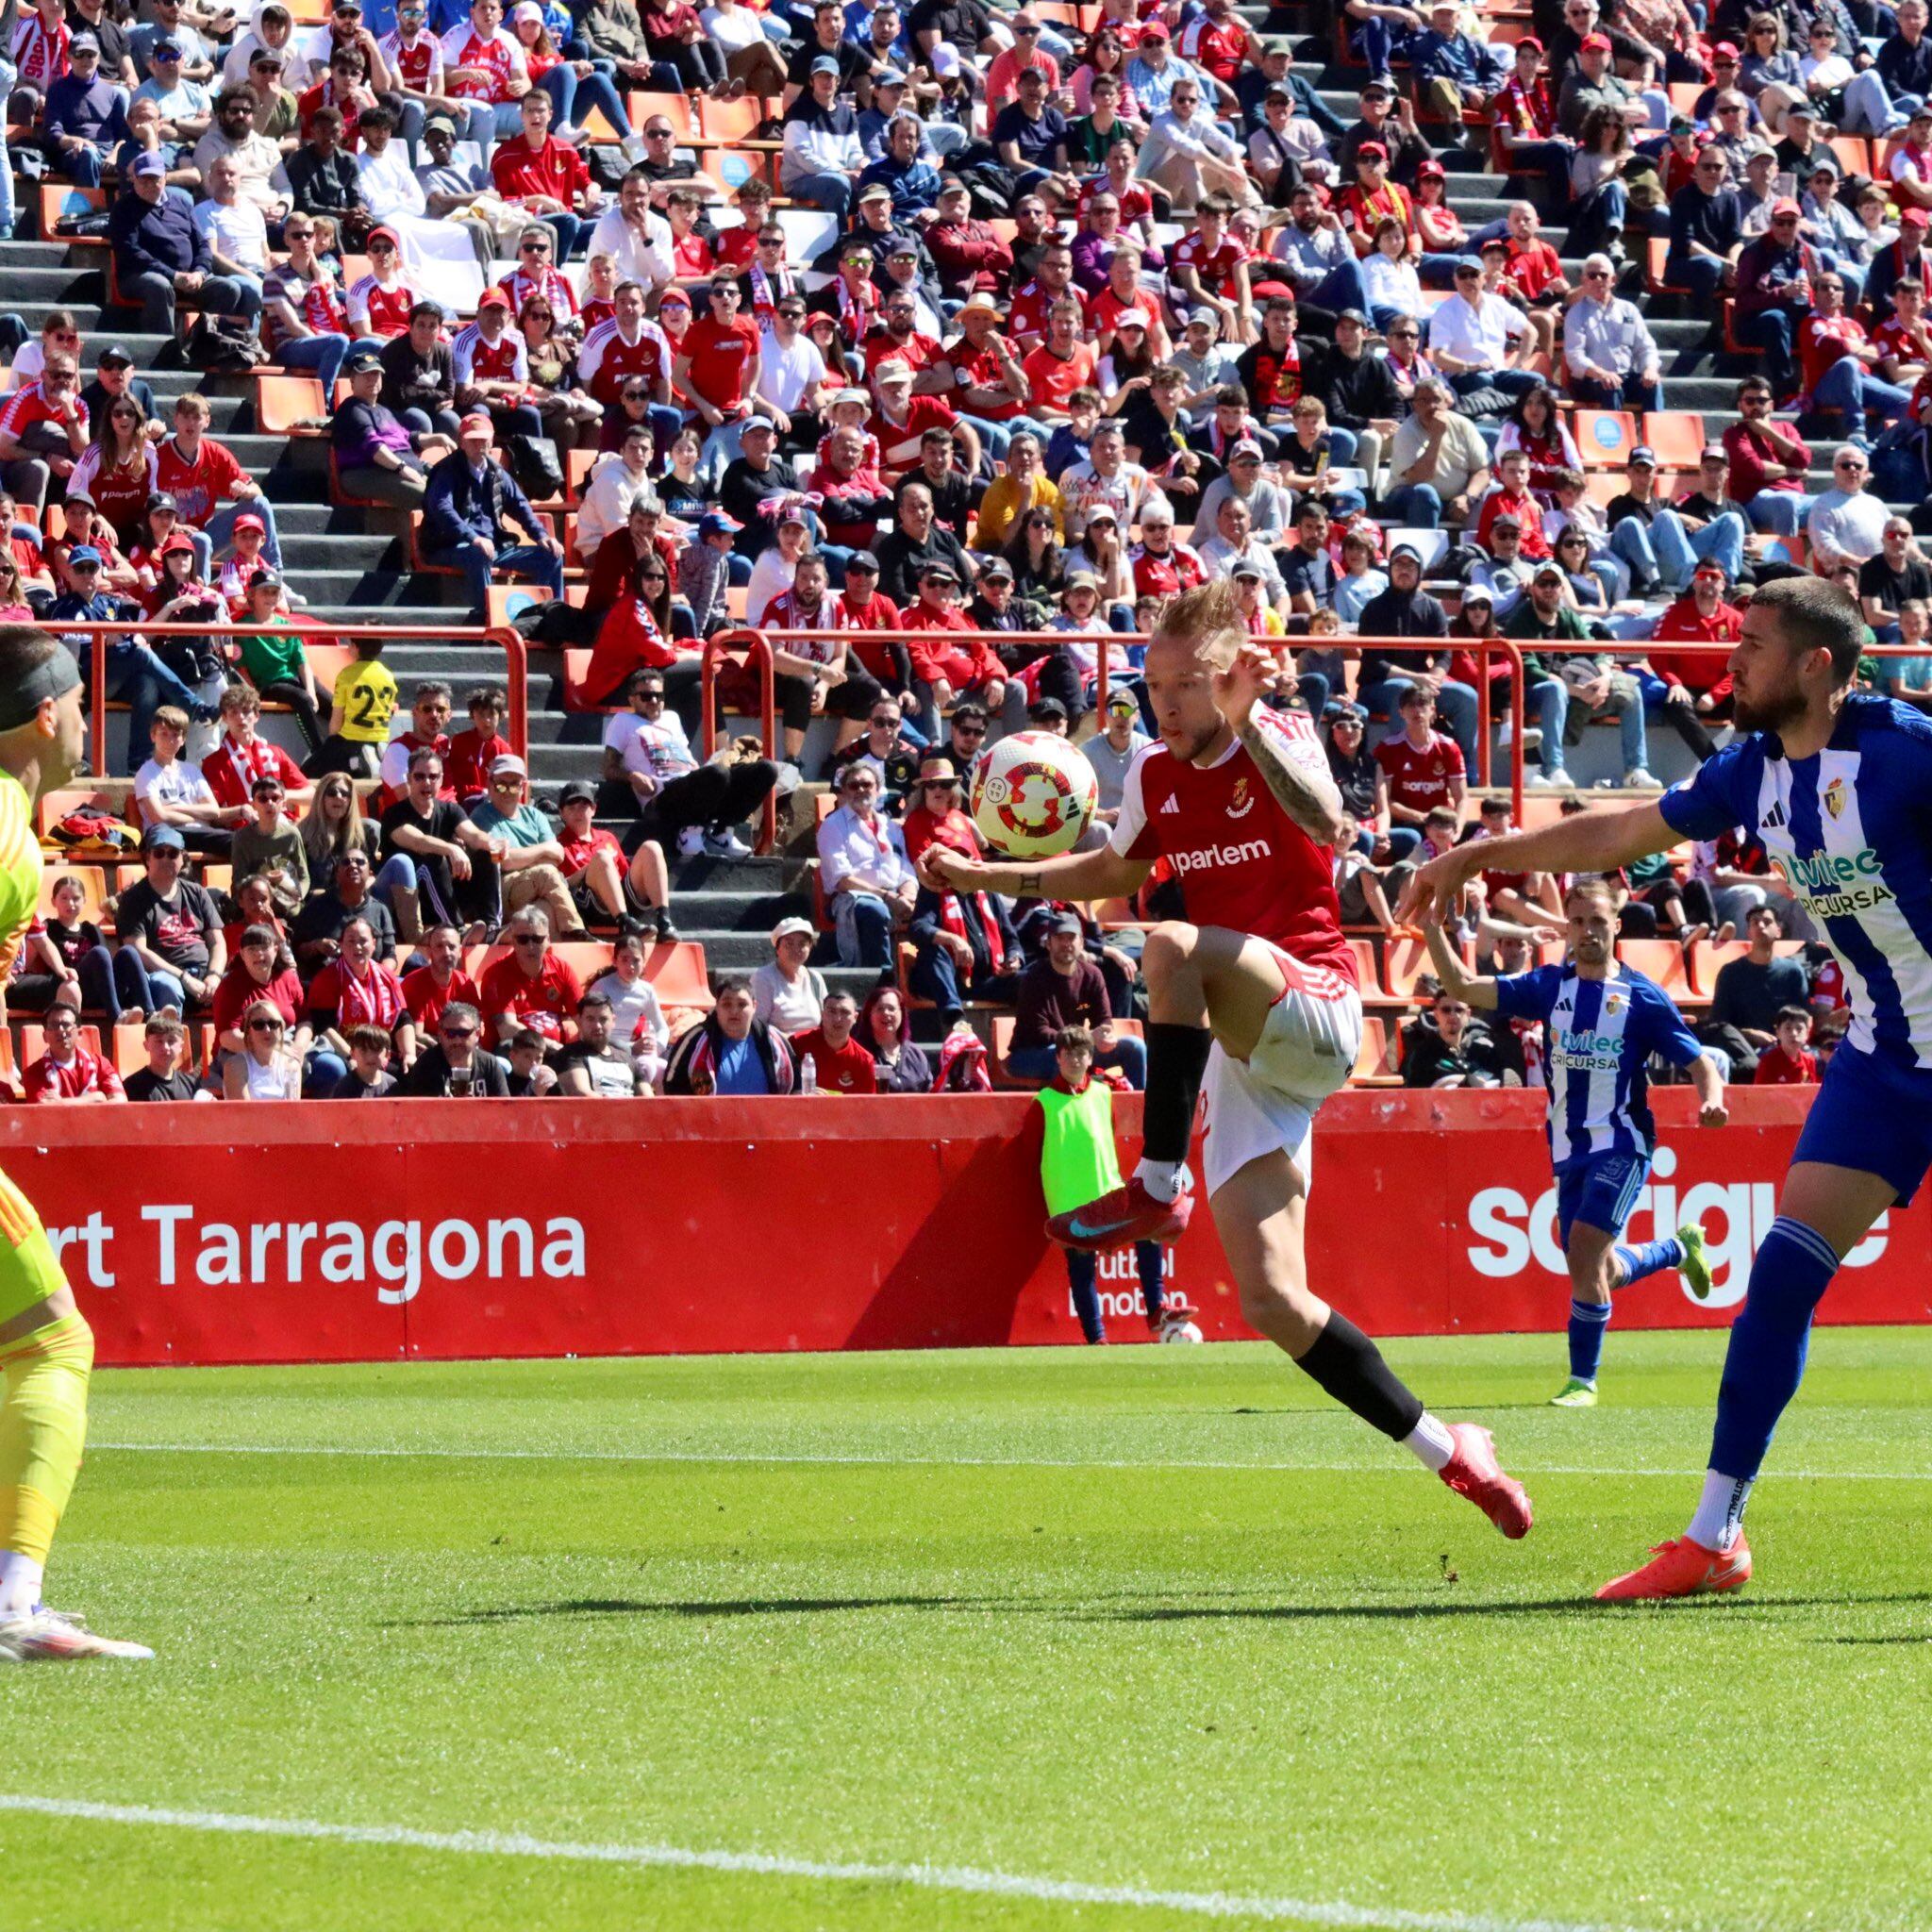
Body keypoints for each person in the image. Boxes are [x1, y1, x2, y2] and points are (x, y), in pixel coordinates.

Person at [920, 580, 1533, 1541]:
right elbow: (1114, 872)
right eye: (1152, 684)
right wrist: (982, 876)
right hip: (1248, 1052)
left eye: (1182, 684)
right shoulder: (1153, 775)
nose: (1161, 704)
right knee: (1271, 1299)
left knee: (1163, 946)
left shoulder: (1272, 733)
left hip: (1316, 1003)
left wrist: (1250, 721)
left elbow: (1328, 819)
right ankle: (1451, 1449)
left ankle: (1158, 1183)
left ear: (1227, 678)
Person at [1405, 574, 1932, 1596]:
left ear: (1815, 665)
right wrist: (1476, 852)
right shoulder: (1748, 771)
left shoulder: (1904, 752)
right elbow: (1613, 835)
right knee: (1776, 1282)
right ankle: (1712, 1535)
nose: (1727, 662)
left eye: (1752, 647)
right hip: (1883, 1058)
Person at [1424, 881, 1724, 1407]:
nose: (1588, 932)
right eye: (1579, 922)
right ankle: (1678, 1249)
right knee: (1596, 1269)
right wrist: (1431, 929)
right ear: (1567, 929)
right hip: (1567, 1147)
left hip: (1624, 1141)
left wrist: (1713, 1098)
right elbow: (1466, 985)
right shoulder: (1548, 986)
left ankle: (1583, 1380)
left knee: (1584, 1251)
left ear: (1616, 927)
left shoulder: (1642, 997)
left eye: (1598, 922)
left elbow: (1698, 1060)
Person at [0, 628, 153, 1658]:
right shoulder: (8, 823)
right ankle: (12, 1599)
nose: (93, 725)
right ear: (47, 713)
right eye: (81, 703)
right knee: (53, 1340)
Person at [1026, 1022, 1186, 1344]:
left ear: (1090, 1057)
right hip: (1070, 1204)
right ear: (1057, 1058)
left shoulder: (1103, 1093)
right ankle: (1096, 1340)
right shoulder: (1043, 1102)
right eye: (1068, 1054)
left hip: (1109, 1195)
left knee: (1147, 1229)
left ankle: (1156, 1307)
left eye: (1082, 1053)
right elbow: (1033, 1153)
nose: (1075, 1060)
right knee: (1082, 1269)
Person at [420, 408, 566, 610]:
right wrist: (473, 537)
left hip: (493, 545)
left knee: (552, 556)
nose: (480, 445)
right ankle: (485, 618)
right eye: (473, 440)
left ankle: (549, 617)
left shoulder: (497, 472)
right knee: (479, 554)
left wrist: (541, 535)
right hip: (450, 545)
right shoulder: (447, 470)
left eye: (484, 440)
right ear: (461, 442)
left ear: (492, 442)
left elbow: (520, 505)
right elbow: (441, 508)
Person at [817, 760, 916, 967]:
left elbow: (906, 869)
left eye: (867, 785)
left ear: (878, 790)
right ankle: (881, 980)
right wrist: (888, 897)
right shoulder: (832, 826)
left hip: (895, 894)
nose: (861, 790)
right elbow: (842, 880)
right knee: (876, 911)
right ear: (843, 791)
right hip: (852, 898)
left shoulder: (891, 827)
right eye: (854, 786)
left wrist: (907, 896)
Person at [662, 976, 798, 1093]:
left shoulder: (774, 1041)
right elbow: (672, 1086)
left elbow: (797, 1086)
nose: (734, 1011)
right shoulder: (694, 1041)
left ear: (754, 1007)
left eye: (742, 1005)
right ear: (717, 1007)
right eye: (727, 1004)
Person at [397, 1000, 512, 1094]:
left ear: (477, 1034)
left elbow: (504, 1109)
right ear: (440, 1034)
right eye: (450, 1033)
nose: (457, 1040)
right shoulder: (427, 1064)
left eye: (464, 1033)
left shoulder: (489, 1064)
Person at [554, 991, 647, 1096]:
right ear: (580, 1021)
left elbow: (649, 1099)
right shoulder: (569, 1055)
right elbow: (581, 1094)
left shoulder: (627, 1058)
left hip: (631, 1111)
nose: (597, 1026)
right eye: (590, 1019)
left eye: (603, 1019)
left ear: (613, 1021)